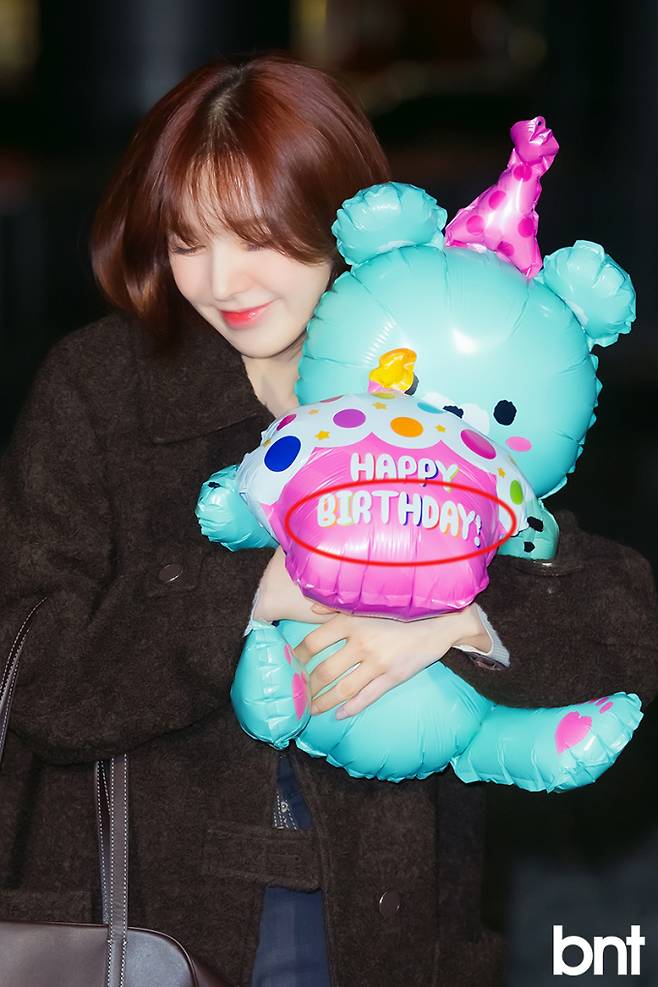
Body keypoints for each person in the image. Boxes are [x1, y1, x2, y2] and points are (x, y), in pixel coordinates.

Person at [0, 54, 656, 987]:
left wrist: (455, 621)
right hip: (141, 924)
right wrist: (249, 590)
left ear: (337, 217)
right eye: (186, 241)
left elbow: (613, 614)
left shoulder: (437, 364)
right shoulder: (102, 390)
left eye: (256, 236)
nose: (221, 278)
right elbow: (30, 662)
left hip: (389, 927)